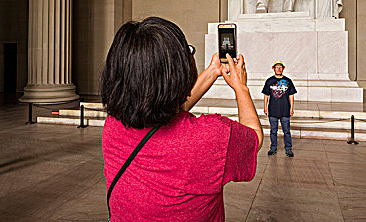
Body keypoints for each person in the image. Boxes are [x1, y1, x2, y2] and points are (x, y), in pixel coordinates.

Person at [101, 17, 263, 221]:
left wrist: (213, 71)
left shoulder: (112, 126)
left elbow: (164, 108)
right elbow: (254, 137)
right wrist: (241, 87)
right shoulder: (212, 137)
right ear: (178, 70)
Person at [262, 60, 296, 157]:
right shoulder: (269, 81)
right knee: (273, 131)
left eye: (280, 67)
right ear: (274, 69)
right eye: (277, 67)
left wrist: (291, 108)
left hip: (285, 110)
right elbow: (266, 95)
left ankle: (288, 149)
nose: (279, 69)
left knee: (287, 131)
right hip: (273, 110)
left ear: (283, 69)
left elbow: (291, 95)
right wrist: (265, 107)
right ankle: (273, 148)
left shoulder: (288, 81)